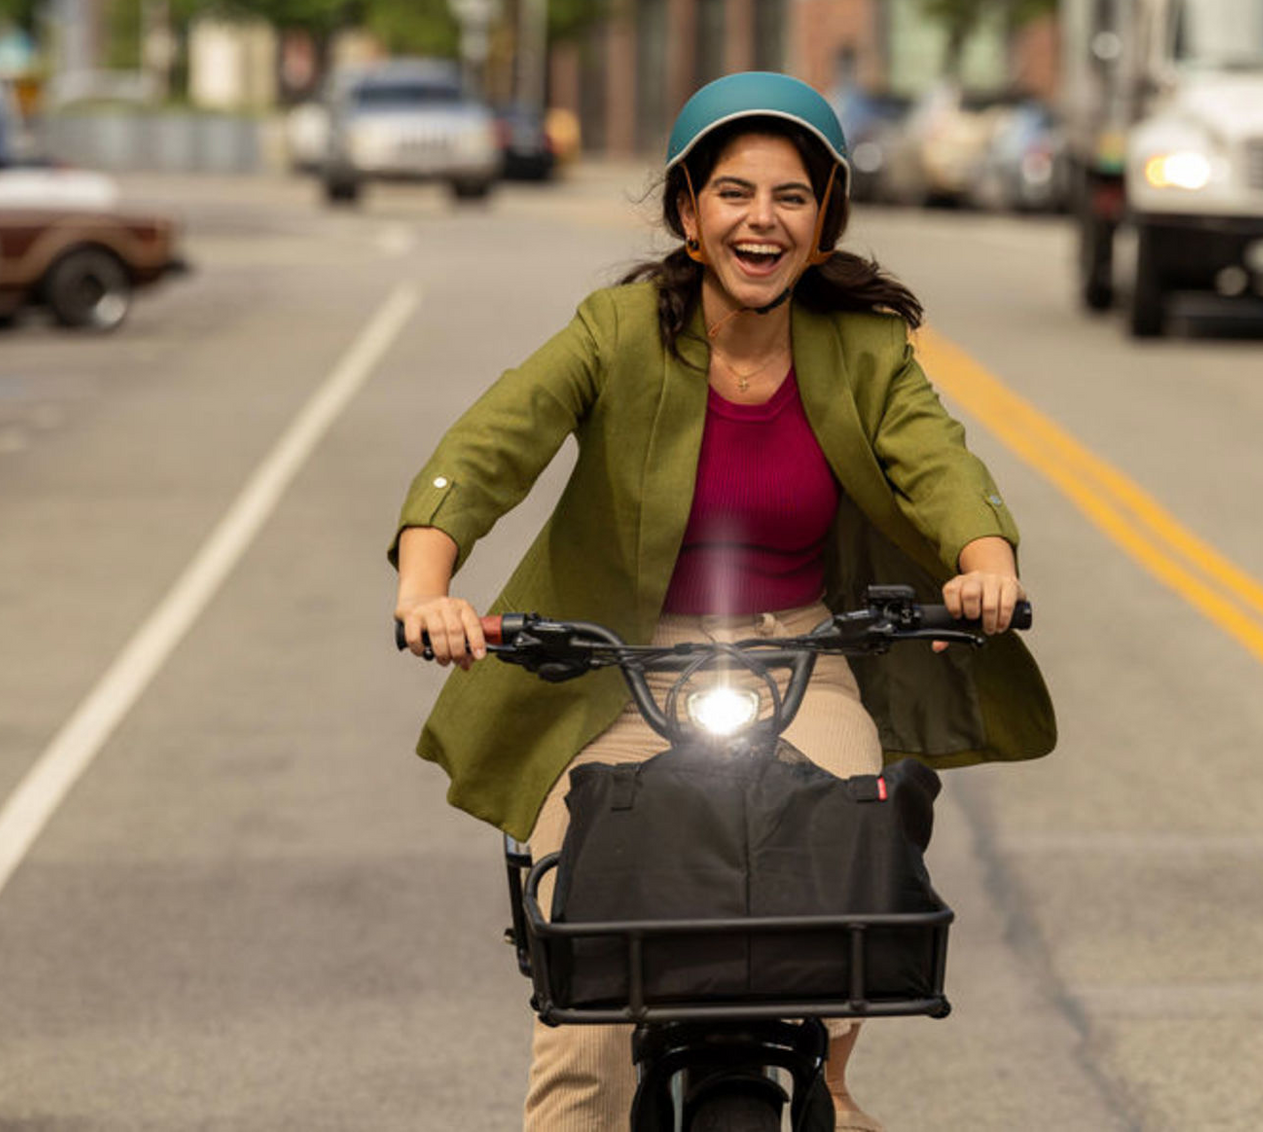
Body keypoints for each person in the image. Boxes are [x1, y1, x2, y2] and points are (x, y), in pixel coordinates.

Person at [391, 71, 1056, 1131]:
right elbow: (489, 446)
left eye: (791, 196)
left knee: (853, 861)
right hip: (625, 662)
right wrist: (427, 586)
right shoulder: (614, 332)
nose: (762, 218)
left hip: (800, 652)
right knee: (588, 957)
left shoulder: (860, 346)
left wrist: (985, 561)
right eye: (734, 193)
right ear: (689, 214)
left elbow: (937, 462)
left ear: (824, 216)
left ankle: (827, 1075)